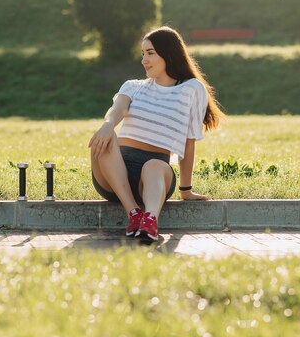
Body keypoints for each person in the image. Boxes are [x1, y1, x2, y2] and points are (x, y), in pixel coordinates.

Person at [88, 26, 225, 242]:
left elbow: (189, 142)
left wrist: (186, 190)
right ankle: (133, 212)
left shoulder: (191, 89)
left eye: (150, 53)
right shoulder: (133, 86)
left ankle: (149, 221)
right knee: (106, 137)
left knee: (154, 165)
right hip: (112, 173)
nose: (144, 60)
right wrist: (108, 124)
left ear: (169, 54)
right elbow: (118, 109)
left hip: (153, 178)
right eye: (143, 54)